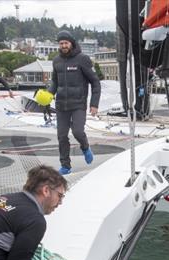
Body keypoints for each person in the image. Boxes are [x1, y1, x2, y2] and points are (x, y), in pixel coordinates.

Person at [49, 30, 101, 175]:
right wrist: (48, 95)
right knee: (61, 136)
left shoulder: (82, 59)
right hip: (61, 105)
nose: (63, 45)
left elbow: (95, 82)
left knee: (77, 131)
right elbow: (54, 82)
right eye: (61, 43)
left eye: (66, 43)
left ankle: (85, 147)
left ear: (71, 43)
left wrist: (94, 104)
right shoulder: (56, 61)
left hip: (78, 104)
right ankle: (65, 166)